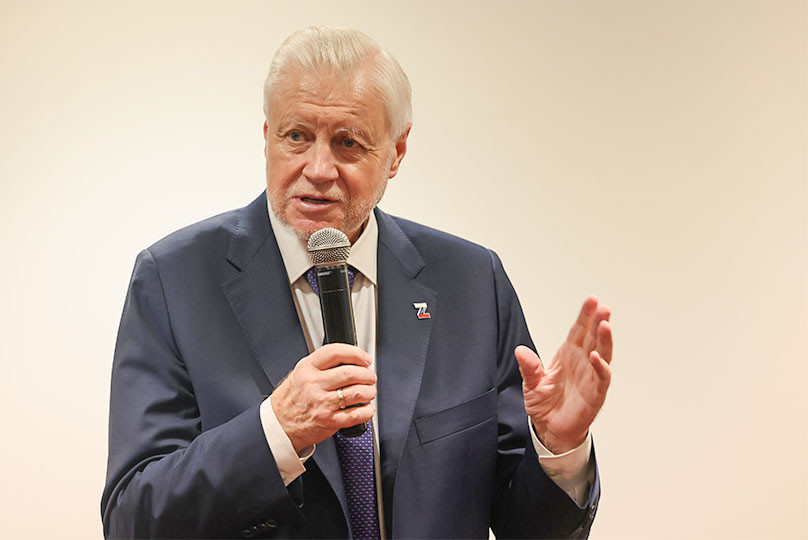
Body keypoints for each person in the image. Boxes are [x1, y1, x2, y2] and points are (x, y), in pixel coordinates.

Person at [102, 26, 613, 539]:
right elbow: (132, 519)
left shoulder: (472, 283)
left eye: (348, 142)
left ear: (397, 152)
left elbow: (529, 527)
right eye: (296, 136)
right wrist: (276, 431)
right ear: (267, 135)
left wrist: (558, 448)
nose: (318, 168)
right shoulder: (173, 281)